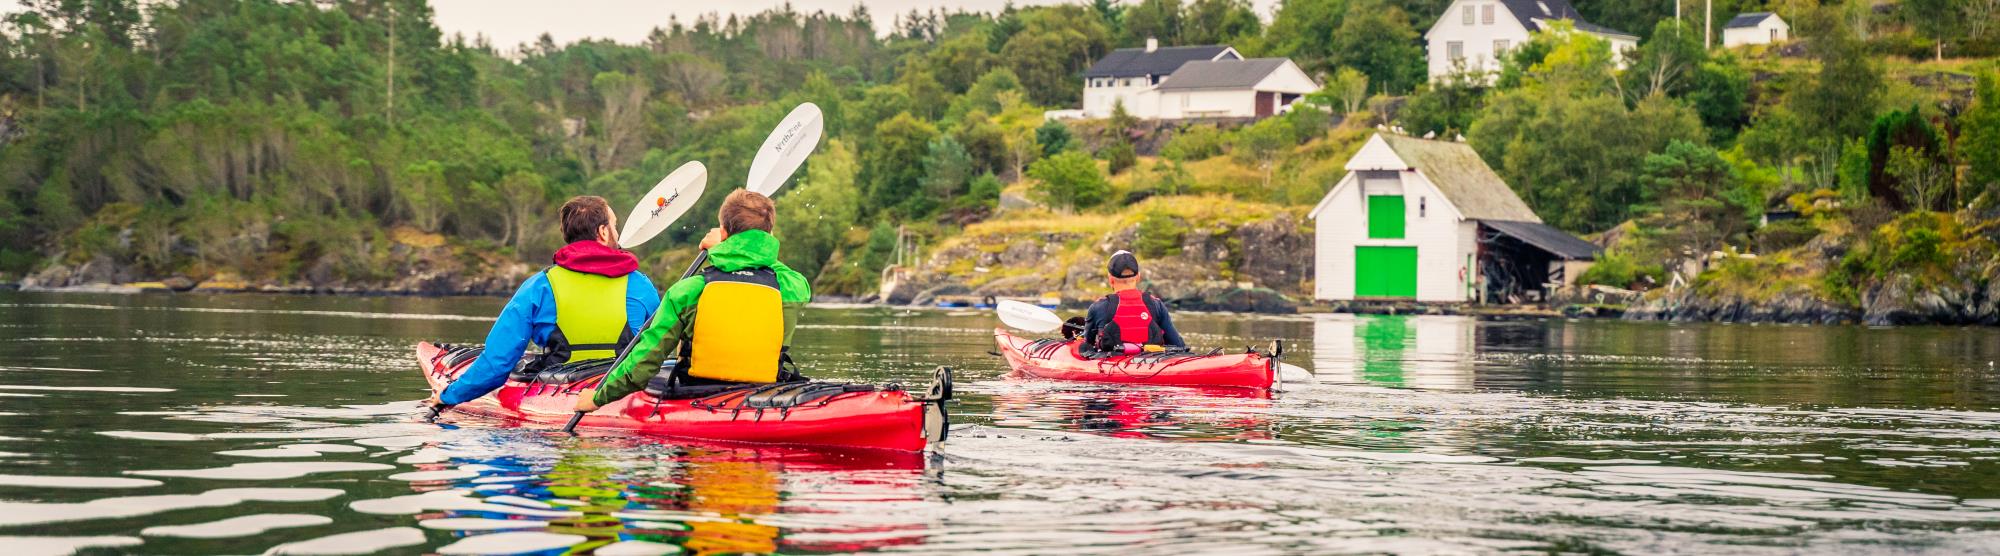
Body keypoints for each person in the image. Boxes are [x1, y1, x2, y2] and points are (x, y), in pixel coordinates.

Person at [575, 190, 811, 412]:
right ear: (768, 236)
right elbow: (778, 270)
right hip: (763, 393)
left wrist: (597, 398)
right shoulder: (792, 288)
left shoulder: (688, 291)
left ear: (724, 233)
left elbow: (643, 363)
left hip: (698, 392)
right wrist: (753, 249)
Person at [429, 196, 660, 408]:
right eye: (614, 225)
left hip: (560, 394)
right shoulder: (641, 285)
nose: (617, 233)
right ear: (603, 232)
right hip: (627, 395)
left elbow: (497, 364)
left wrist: (448, 395)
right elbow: (660, 349)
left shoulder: (539, 287)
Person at [1080, 250, 1184, 357]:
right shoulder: (1156, 304)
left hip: (1114, 366)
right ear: (1138, 277)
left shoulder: (1098, 307)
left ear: (1110, 279)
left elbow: (1087, 346)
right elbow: (1177, 345)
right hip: (1153, 363)